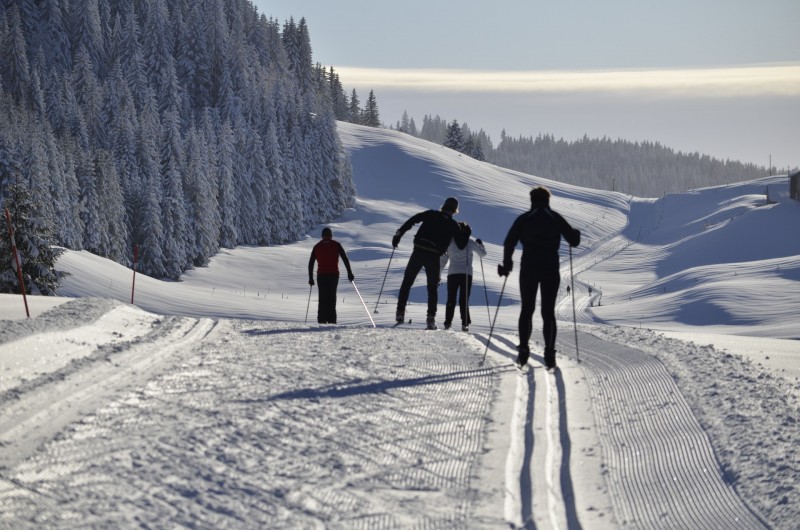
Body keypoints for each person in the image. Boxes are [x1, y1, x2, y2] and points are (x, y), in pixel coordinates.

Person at [498, 186, 580, 370]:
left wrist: (507, 264)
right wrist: (576, 234)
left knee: (527, 308)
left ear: (532, 200)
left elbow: (509, 241)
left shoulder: (524, 218)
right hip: (550, 268)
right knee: (548, 312)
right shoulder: (555, 217)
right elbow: (573, 241)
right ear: (548, 200)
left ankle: (524, 350)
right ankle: (549, 354)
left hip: (529, 267)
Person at [392, 197, 461, 329]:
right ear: (455, 210)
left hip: (418, 251)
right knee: (432, 288)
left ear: (444, 206)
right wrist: (464, 229)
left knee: (407, 282)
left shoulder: (431, 214)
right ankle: (430, 319)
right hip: (434, 257)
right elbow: (461, 243)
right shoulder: (454, 226)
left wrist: (399, 234)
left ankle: (400, 313)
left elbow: (413, 220)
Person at [440, 222, 486, 331]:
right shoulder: (471, 243)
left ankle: (448, 323)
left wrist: (438, 273)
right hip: (466, 274)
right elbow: (482, 254)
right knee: (464, 299)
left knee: (451, 298)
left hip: (452, 274)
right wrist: (481, 245)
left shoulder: (450, 242)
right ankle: (465, 323)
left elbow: (443, 259)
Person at [308, 227, 355, 324]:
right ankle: (332, 322)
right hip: (333, 276)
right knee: (332, 299)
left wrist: (311, 278)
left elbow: (311, 263)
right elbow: (345, 259)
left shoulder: (317, 246)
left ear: (322, 236)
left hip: (321, 276)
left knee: (322, 299)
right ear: (331, 235)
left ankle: (321, 322)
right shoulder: (336, 245)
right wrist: (349, 273)